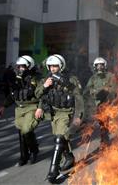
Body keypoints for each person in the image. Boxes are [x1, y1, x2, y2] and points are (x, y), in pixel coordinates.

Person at [35, 54, 84, 183]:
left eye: (55, 66)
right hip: (53, 113)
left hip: (67, 113)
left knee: (59, 139)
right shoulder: (47, 79)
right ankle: (69, 158)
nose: (52, 68)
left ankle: (53, 171)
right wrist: (45, 87)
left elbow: (79, 99)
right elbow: (39, 94)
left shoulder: (71, 79)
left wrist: (79, 116)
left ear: (61, 66)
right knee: (60, 138)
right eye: (50, 66)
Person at [0, 55, 41, 166]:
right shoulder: (17, 79)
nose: (20, 68)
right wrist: (4, 106)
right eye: (19, 66)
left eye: (23, 66)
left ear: (29, 66)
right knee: (21, 133)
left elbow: (43, 94)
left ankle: (34, 150)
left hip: (32, 107)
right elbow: (13, 95)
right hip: (19, 108)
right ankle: (24, 157)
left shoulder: (36, 78)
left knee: (26, 129)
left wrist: (40, 108)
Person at [83, 57, 117, 150]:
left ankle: (104, 140)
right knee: (97, 123)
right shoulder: (93, 78)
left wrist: (108, 90)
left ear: (104, 65)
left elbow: (114, 89)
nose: (99, 67)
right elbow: (86, 90)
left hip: (107, 103)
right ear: (94, 67)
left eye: (101, 65)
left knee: (105, 123)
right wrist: (93, 91)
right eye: (97, 65)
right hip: (96, 104)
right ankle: (103, 139)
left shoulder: (110, 76)